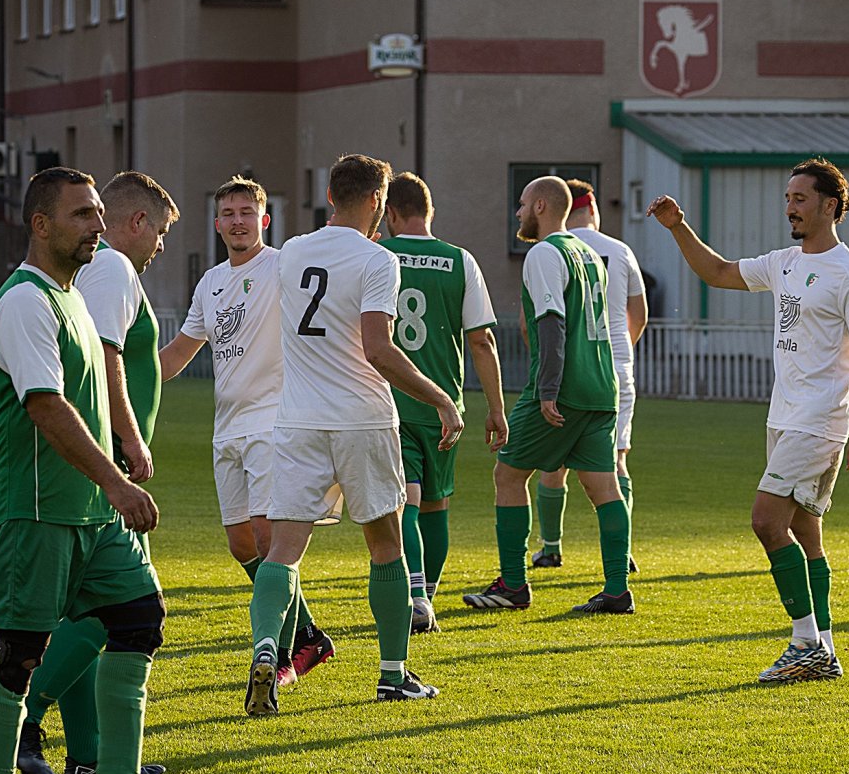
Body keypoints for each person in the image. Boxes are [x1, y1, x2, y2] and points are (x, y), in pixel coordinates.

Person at [0, 167, 195, 774]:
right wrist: (118, 481)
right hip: (37, 510)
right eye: (82, 215)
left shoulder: (73, 298)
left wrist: (112, 482)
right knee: (17, 652)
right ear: (41, 225)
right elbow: (45, 406)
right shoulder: (24, 301)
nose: (98, 226)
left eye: (99, 213)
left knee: (138, 618)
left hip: (93, 515)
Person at [647, 157, 849, 684]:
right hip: (784, 417)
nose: (790, 208)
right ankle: (823, 646)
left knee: (765, 521)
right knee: (805, 531)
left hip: (819, 421)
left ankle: (804, 643)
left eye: (800, 199)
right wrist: (677, 227)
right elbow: (717, 272)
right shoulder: (784, 262)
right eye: (787, 198)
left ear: (830, 206)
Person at [244, 154, 462, 714]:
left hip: (298, 420)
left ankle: (267, 648)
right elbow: (378, 349)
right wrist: (441, 398)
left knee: (284, 551)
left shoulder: (293, 251)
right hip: (362, 418)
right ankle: (393, 674)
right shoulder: (377, 259)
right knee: (386, 547)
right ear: (376, 201)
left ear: (329, 196)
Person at [16, 171, 180, 774]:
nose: (160, 246)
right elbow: (107, 357)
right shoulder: (112, 268)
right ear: (138, 222)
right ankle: (27, 719)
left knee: (95, 604)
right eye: (160, 233)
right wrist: (129, 443)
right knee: (118, 604)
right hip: (104, 463)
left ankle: (89, 754)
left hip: (99, 462)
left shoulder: (99, 269)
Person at [156, 177, 337, 684]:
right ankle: (310, 635)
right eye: (229, 213)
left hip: (274, 422)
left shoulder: (282, 266)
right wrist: (122, 381)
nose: (238, 221)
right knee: (242, 545)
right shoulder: (210, 282)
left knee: (267, 535)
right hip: (227, 426)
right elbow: (179, 352)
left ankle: (279, 654)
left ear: (264, 219)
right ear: (217, 224)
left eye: (246, 212)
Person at [463, 176, 631, 615]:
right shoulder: (588, 254)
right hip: (602, 386)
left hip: (563, 387)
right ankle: (617, 589)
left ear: (540, 206)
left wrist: (549, 388)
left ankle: (513, 584)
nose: (518, 212)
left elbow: (552, 322)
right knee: (604, 487)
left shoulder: (544, 252)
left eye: (522, 204)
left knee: (508, 474)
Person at [378, 172, 507, 634]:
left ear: (391, 212)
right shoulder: (460, 260)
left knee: (405, 503)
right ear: (429, 212)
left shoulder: (379, 255)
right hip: (443, 406)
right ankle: (426, 595)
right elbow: (481, 341)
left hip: (391, 398)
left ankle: (415, 598)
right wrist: (496, 408)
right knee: (436, 505)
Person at [530, 178, 646, 574]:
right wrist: (617, 352)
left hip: (568, 369)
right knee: (617, 460)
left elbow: (540, 320)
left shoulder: (554, 249)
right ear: (593, 209)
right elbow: (638, 314)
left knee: (552, 463)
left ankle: (550, 547)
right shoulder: (620, 250)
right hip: (614, 369)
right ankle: (621, 553)